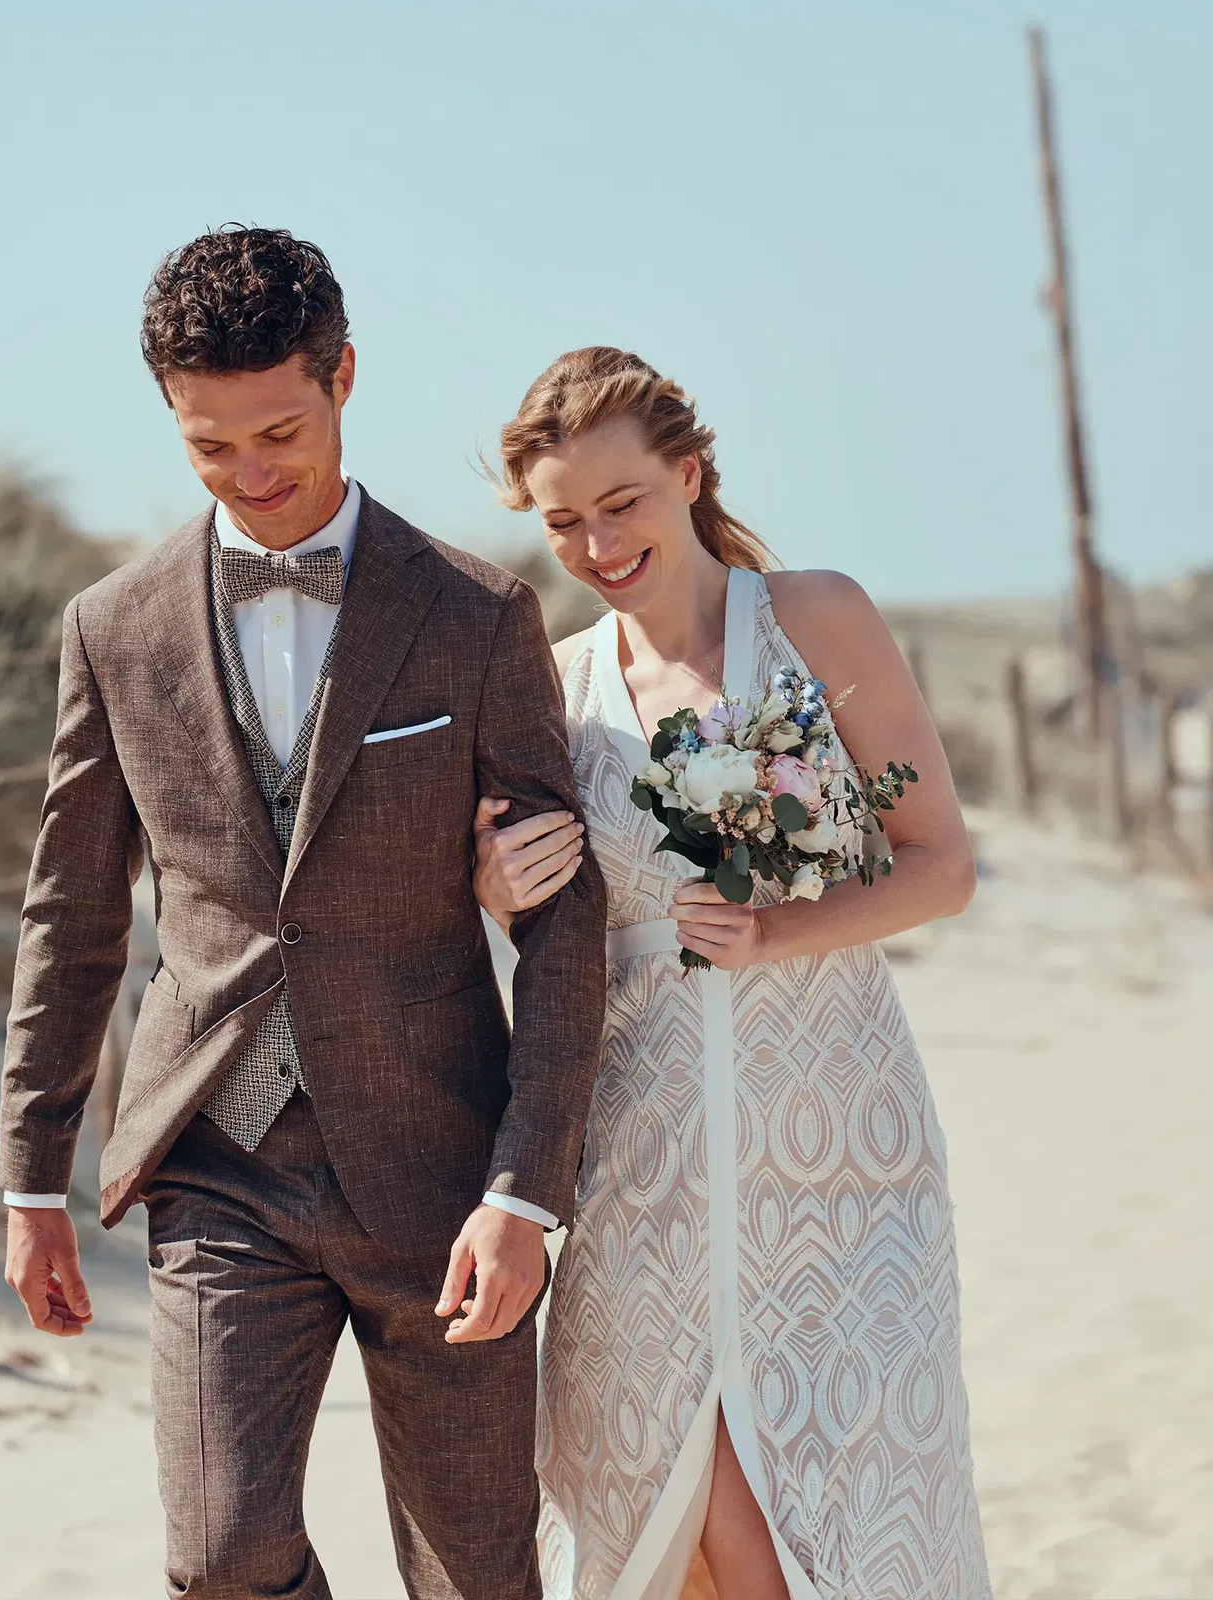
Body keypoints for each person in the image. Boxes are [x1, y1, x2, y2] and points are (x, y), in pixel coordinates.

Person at [0, 228, 608, 1599]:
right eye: (209, 445)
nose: (251, 472)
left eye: (279, 429)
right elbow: (73, 912)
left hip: (443, 1173)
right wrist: (31, 1172)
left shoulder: (475, 613)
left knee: (476, 1576)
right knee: (220, 1556)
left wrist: (527, 1190)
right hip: (219, 1161)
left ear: (344, 378)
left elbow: (566, 920)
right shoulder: (114, 626)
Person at [473, 347, 992, 1600]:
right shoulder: (556, 685)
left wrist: (777, 933)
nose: (597, 545)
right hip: (638, 1156)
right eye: (563, 523)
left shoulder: (816, 621)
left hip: (833, 1157)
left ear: (688, 474)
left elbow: (939, 867)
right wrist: (492, 892)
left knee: (812, 1517)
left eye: (622, 503)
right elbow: (544, 947)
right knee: (659, 1512)